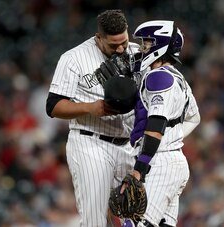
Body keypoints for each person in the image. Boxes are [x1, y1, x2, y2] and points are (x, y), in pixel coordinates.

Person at [46, 9, 139, 227]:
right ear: (99, 38)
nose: (120, 49)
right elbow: (53, 106)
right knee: (95, 220)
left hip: (128, 145)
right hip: (91, 142)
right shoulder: (74, 58)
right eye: (113, 45)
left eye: (124, 42)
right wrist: (89, 107)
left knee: (136, 217)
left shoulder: (136, 54)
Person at [121, 20, 200, 227]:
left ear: (161, 45)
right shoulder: (179, 78)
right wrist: (173, 138)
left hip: (160, 163)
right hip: (172, 160)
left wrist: (140, 167)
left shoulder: (158, 77)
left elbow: (156, 125)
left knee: (135, 224)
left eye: (147, 43)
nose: (143, 48)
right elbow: (194, 117)